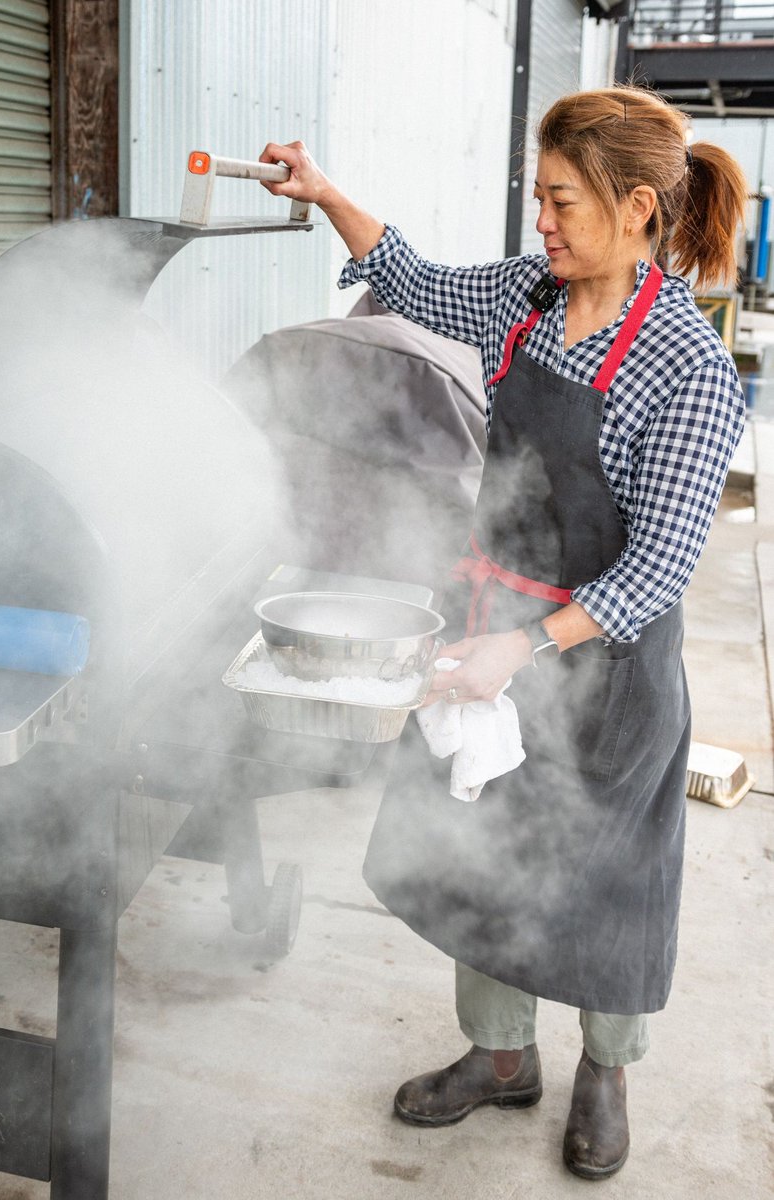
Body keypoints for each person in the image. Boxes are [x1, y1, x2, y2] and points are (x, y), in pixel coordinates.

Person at [259, 84, 748, 1180]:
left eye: (562, 203)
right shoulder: (528, 297)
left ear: (634, 209)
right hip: (494, 636)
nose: (542, 224)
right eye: (538, 199)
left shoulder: (687, 367)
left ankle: (607, 1071)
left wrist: (525, 648)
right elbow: (415, 277)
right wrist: (325, 189)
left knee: (609, 883)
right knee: (481, 857)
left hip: (607, 672)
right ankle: (499, 1056)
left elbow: (661, 564)